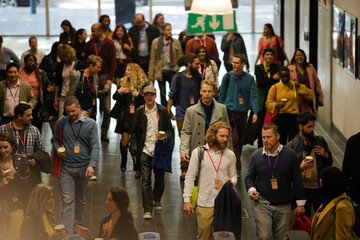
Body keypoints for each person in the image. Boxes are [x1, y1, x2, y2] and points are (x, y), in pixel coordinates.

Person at [245, 124, 306, 240]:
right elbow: (249, 178)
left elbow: (297, 179)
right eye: (263, 137)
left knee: (282, 237)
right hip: (262, 203)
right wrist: (251, 189)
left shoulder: (290, 155)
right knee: (264, 236)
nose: (265, 140)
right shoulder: (257, 155)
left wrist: (300, 203)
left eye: (269, 137)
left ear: (277, 136)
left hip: (284, 205)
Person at [52, 96, 100, 234]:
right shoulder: (62, 122)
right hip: (66, 168)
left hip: (84, 168)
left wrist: (92, 165)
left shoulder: (91, 124)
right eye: (68, 112)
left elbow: (95, 146)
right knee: (68, 201)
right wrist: (57, 149)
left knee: (80, 201)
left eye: (73, 111)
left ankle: (78, 229)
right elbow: (55, 140)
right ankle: (67, 233)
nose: (71, 114)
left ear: (79, 107)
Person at [183, 121, 237, 240]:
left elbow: (234, 175)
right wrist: (187, 200)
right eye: (222, 136)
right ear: (213, 135)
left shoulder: (230, 155)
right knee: (203, 236)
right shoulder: (198, 152)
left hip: (224, 203)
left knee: (223, 237)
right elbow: (190, 176)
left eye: (227, 136)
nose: (225, 139)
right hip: (205, 203)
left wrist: (232, 181)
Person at [129, 85, 174, 220]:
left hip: (159, 150)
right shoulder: (139, 111)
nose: (149, 97)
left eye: (151, 95)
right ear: (144, 97)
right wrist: (134, 150)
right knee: (145, 180)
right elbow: (134, 132)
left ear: (155, 96)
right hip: (144, 149)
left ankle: (157, 199)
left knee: (160, 178)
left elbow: (170, 129)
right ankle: (147, 209)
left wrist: (166, 136)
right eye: (147, 95)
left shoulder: (162, 111)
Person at [180, 80, 230, 181]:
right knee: (197, 181)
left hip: (216, 150)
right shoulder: (191, 111)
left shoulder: (222, 109)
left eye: (209, 91)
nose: (207, 94)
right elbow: (185, 132)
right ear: (200, 92)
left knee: (216, 180)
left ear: (214, 92)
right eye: (204, 91)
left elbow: (227, 131)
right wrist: (184, 150)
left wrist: (230, 153)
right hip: (198, 151)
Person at [218, 53, 258, 176]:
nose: (233, 65)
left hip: (243, 114)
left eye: (236, 63)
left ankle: (234, 162)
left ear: (243, 64)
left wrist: (255, 112)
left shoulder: (250, 79)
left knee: (240, 141)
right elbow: (221, 96)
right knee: (233, 140)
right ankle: (237, 167)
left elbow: (253, 96)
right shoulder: (227, 77)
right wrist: (221, 111)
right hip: (229, 113)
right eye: (233, 62)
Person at [287, 112, 333, 218]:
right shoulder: (291, 146)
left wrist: (326, 155)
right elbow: (286, 172)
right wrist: (300, 168)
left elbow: (329, 163)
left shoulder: (320, 141)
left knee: (322, 222)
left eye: (313, 126)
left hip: (319, 188)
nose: (312, 129)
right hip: (302, 190)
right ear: (300, 127)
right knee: (305, 224)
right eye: (309, 127)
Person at [0, 103, 47, 201]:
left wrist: (36, 160)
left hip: (29, 173)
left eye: (31, 114)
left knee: (29, 200)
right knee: (13, 201)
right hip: (10, 171)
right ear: (19, 116)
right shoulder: (4, 129)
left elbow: (41, 151)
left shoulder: (34, 130)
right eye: (28, 115)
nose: (31, 117)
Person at [84, 22, 116, 142]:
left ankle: (104, 131)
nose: (92, 33)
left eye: (94, 31)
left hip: (104, 76)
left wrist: (110, 79)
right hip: (92, 76)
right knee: (91, 105)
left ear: (101, 31)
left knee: (107, 107)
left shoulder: (109, 43)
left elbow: (113, 62)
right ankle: (91, 131)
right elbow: (86, 61)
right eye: (91, 30)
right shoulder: (89, 44)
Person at [265, 66, 313, 145]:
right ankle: (281, 157)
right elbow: (268, 103)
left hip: (294, 117)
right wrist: (277, 105)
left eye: (287, 76)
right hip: (281, 117)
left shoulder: (295, 85)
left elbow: (310, 95)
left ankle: (292, 157)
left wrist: (299, 86)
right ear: (279, 77)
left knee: (293, 142)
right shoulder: (275, 87)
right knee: (281, 142)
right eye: (283, 76)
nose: (285, 78)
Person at [113, 63, 147, 174]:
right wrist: (119, 91)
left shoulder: (143, 85)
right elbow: (114, 97)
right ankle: (123, 161)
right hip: (125, 116)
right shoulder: (123, 83)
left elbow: (148, 101)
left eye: (129, 70)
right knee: (124, 142)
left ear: (136, 72)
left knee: (137, 142)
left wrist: (138, 95)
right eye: (126, 69)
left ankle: (137, 166)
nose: (126, 72)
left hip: (137, 116)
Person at [311, 167, 357, 240]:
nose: (319, 181)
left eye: (322, 179)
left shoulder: (342, 207)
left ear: (329, 183)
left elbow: (342, 237)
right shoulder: (329, 198)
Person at [148, 23, 183, 106]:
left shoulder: (176, 42)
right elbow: (152, 59)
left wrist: (177, 68)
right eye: (168, 30)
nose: (170, 31)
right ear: (162, 31)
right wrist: (151, 75)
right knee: (162, 93)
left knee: (173, 92)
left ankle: (173, 108)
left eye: (170, 29)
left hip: (172, 71)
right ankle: (165, 110)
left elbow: (180, 58)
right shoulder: (155, 42)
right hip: (160, 71)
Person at [167, 53, 201, 137]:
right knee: (183, 140)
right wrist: (169, 111)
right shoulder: (177, 77)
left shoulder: (198, 78)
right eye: (196, 64)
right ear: (189, 63)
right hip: (181, 114)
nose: (199, 66)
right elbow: (172, 96)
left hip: (196, 114)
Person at [252, 47, 279, 147]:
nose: (269, 56)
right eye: (267, 54)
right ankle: (260, 143)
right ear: (263, 56)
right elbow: (261, 82)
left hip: (272, 97)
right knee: (261, 122)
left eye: (271, 55)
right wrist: (272, 79)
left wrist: (265, 81)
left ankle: (271, 142)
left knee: (270, 121)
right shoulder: (258, 67)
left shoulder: (276, 67)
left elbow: (267, 82)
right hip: (261, 98)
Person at [69, 55, 110, 120]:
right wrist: (80, 111)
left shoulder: (95, 77)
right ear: (91, 66)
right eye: (98, 67)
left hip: (91, 113)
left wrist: (106, 91)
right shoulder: (78, 75)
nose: (100, 70)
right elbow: (70, 97)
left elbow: (96, 94)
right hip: (79, 114)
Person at [20, 53, 50, 132]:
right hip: (22, 104)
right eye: (27, 60)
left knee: (36, 128)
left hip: (37, 105)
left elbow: (47, 85)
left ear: (35, 62)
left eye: (32, 60)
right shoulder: (20, 73)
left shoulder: (40, 73)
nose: (30, 62)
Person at [288, 49, 324, 114]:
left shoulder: (310, 67)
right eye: (297, 55)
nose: (299, 57)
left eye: (301, 55)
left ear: (304, 57)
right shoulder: (290, 68)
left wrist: (320, 96)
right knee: (297, 116)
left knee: (309, 117)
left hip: (309, 97)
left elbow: (317, 82)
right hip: (297, 97)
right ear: (294, 57)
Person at [54, 44, 83, 117]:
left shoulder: (79, 64)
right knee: (62, 118)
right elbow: (57, 82)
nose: (65, 60)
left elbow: (82, 81)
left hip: (74, 96)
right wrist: (55, 99)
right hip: (63, 96)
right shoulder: (60, 65)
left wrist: (75, 75)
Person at [39, 42, 61, 134]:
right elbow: (41, 71)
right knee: (52, 112)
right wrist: (51, 76)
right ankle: (54, 133)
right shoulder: (48, 59)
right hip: (50, 88)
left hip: (62, 87)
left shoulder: (65, 59)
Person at [343, 132, 360, 208]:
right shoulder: (353, 141)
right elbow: (346, 170)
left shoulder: (353, 140)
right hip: (356, 194)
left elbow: (346, 170)